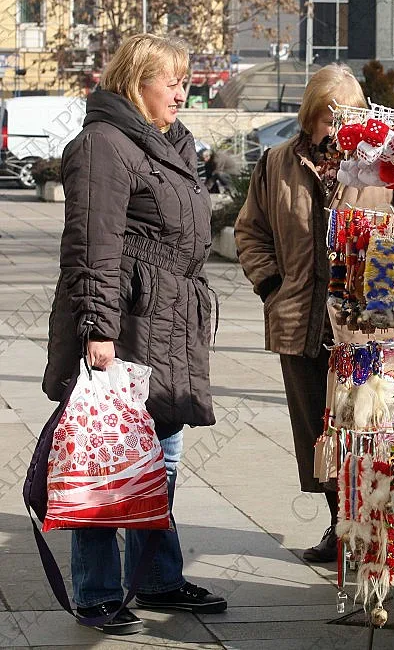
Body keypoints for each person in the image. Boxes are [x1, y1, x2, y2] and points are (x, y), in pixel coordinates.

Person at [42, 34, 226, 635]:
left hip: (167, 322)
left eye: (184, 79)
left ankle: (155, 577)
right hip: (123, 324)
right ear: (134, 82)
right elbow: (92, 246)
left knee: (159, 457)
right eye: (170, 80)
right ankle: (97, 591)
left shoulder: (169, 143)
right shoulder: (103, 144)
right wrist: (97, 330)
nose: (182, 90)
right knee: (107, 457)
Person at [234, 64, 394, 563]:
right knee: (317, 433)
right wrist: (271, 283)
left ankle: (372, 528)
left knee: (365, 427)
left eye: (347, 118)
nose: (336, 130)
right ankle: (339, 526)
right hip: (299, 320)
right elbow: (249, 230)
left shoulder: (384, 166)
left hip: (365, 325)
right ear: (309, 117)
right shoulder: (277, 163)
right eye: (327, 119)